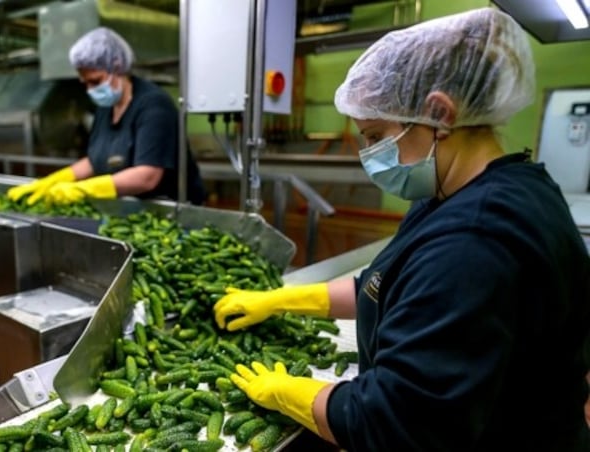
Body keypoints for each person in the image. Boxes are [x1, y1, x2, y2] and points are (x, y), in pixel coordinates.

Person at [213, 8, 590, 451]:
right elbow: (387, 285)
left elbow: (394, 423)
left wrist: (288, 393)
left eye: (375, 136)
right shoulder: (467, 190)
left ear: (439, 113)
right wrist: (282, 300)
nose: (368, 153)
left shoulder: (476, 241)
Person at [7, 27, 205, 205]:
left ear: (117, 67)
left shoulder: (153, 105)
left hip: (171, 212)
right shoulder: (106, 108)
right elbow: (95, 160)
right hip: (130, 209)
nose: (90, 90)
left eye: (95, 81)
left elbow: (147, 176)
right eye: (85, 83)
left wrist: (83, 189)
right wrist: (54, 180)